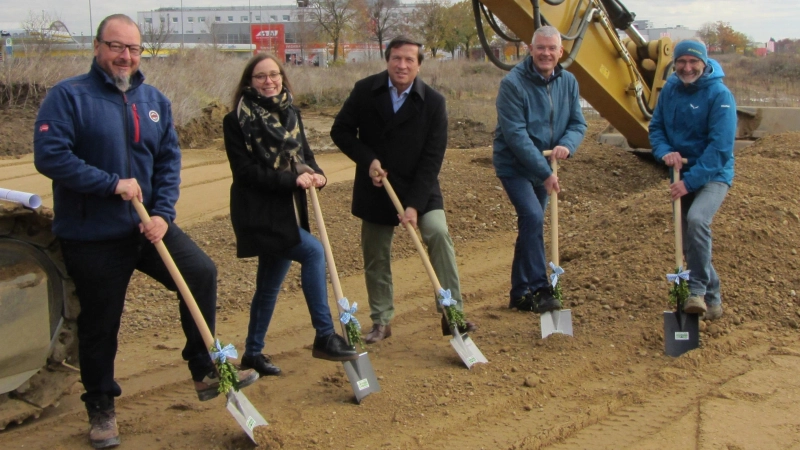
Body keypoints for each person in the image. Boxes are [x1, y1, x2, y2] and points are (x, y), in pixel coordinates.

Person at [32, 14, 258, 449]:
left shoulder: (154, 99)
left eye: (134, 49)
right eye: (117, 47)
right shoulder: (68, 97)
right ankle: (101, 407)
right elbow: (51, 156)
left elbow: (168, 161)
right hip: (92, 234)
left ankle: (202, 367)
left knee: (200, 272)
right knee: (102, 324)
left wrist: (164, 214)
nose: (126, 56)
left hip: (147, 228)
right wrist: (110, 184)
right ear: (98, 47)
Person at [330, 36, 476, 344]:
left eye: (410, 59)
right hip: (376, 186)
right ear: (387, 60)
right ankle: (381, 320)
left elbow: (433, 156)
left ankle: (453, 313)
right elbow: (340, 131)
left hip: (419, 186)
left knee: (437, 232)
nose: (402, 65)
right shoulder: (365, 91)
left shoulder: (434, 103)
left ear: (419, 65)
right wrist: (368, 159)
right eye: (397, 58)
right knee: (376, 254)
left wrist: (414, 205)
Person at [223, 53, 358, 376]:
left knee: (269, 283)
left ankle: (253, 353)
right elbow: (244, 172)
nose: (269, 81)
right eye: (260, 77)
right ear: (249, 82)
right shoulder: (236, 120)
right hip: (257, 212)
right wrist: (290, 179)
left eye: (274, 75)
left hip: (287, 211)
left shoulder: (290, 113)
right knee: (313, 252)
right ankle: (324, 334)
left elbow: (306, 156)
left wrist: (319, 174)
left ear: (282, 77)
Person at [493, 26, 587, 313]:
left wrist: (567, 145)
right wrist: (546, 173)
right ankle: (541, 288)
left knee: (531, 226)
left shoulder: (568, 82)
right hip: (515, 164)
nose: (546, 53)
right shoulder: (513, 84)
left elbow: (578, 123)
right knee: (532, 216)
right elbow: (516, 135)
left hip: (546, 163)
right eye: (540, 47)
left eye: (552, 48)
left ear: (560, 52)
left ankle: (519, 293)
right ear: (530, 49)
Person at [650, 39, 736, 321]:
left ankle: (696, 290)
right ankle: (713, 299)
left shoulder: (719, 95)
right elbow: (657, 128)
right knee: (689, 243)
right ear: (674, 63)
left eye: (693, 62)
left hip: (713, 173)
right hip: (681, 172)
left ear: (704, 62)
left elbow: (720, 148)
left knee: (698, 220)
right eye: (682, 62)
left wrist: (690, 182)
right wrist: (665, 153)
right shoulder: (670, 90)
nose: (687, 67)